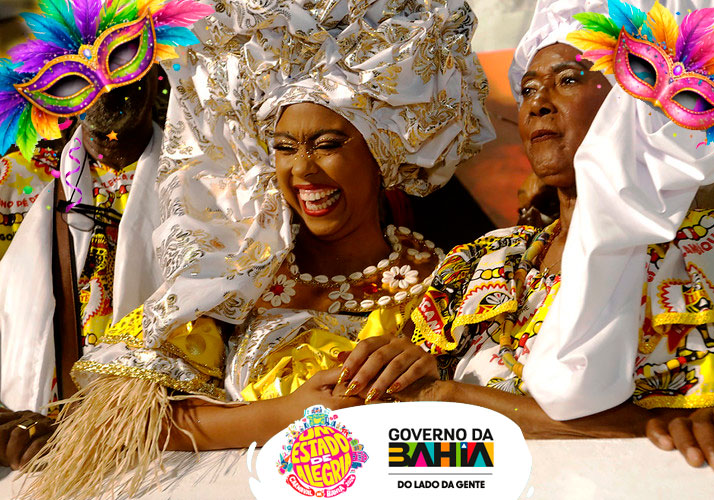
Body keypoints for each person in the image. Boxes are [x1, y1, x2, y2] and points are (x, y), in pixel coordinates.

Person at [18, 1, 495, 498]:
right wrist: (283, 416)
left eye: (327, 144)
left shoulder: (450, 285)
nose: (302, 169)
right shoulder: (233, 277)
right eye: (285, 148)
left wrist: (428, 397)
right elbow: (123, 419)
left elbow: (489, 445)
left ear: (383, 152)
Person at [340, 0, 714, 474]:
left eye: (567, 80)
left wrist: (455, 400)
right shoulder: (480, 262)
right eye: (527, 89)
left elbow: (701, 432)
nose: (537, 103)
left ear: (632, 100)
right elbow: (412, 453)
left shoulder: (705, 254)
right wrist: (398, 374)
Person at [0, 0, 211, 471]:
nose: (104, 84)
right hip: (40, 452)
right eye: (75, 73)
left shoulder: (207, 180)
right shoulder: (16, 184)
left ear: (155, 69)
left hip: (170, 442)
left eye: (121, 58)